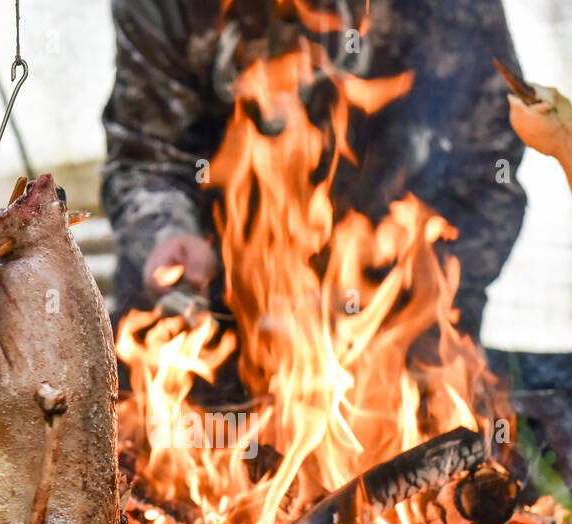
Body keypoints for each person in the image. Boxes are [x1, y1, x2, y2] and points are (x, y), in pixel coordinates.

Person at [101, 0, 527, 366]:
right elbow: (146, 160)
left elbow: (489, 171)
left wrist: (430, 306)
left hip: (395, 313)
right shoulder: (165, 8)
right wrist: (167, 235)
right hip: (208, 314)